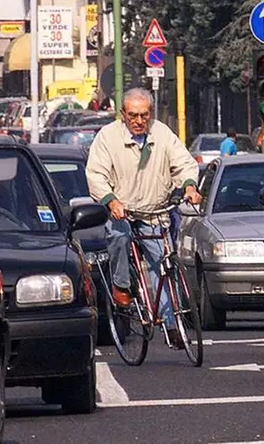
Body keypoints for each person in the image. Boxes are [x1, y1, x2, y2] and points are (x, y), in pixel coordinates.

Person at [86, 88, 202, 349]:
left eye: (144, 115)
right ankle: (121, 286)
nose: (138, 121)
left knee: (160, 265)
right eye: (133, 115)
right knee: (118, 236)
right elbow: (96, 174)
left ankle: (173, 326)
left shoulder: (161, 133)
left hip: (155, 210)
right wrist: (111, 200)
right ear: (123, 115)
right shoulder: (107, 137)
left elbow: (183, 163)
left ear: (151, 114)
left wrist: (190, 187)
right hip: (122, 209)